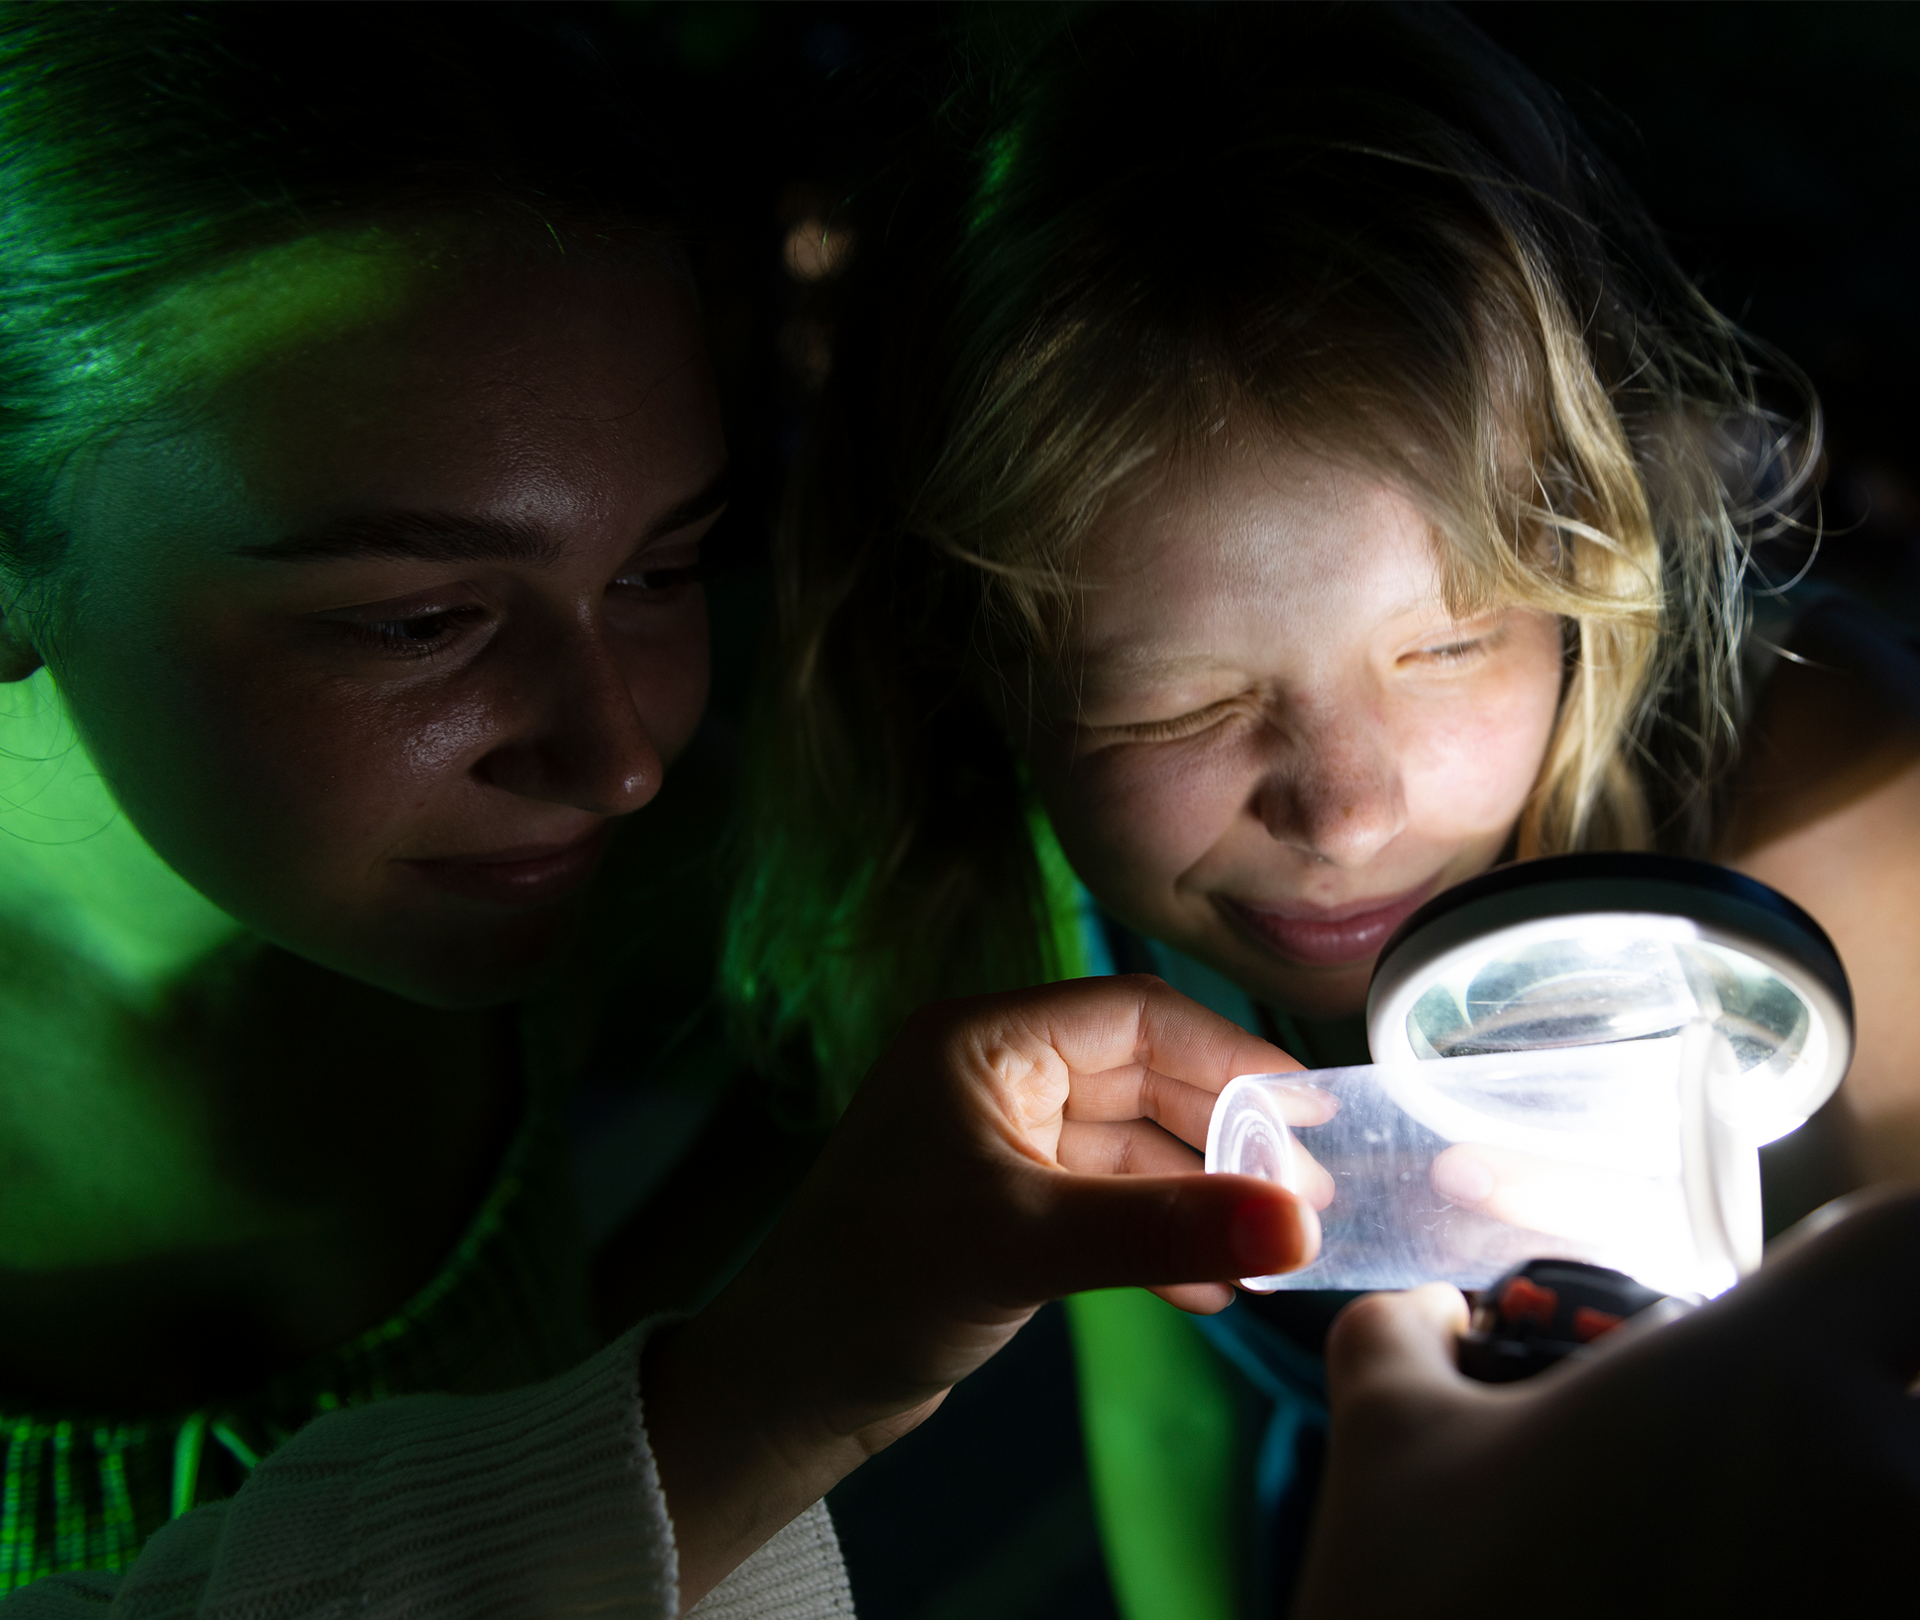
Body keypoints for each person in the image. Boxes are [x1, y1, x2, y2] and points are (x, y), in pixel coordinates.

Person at [0, 5, 1319, 1612]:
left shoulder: (591, 881)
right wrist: (756, 1388)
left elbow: (855, 997)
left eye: (659, 569)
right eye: (420, 620)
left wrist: (657, 1347)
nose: (620, 758)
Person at [730, 2, 1920, 1610]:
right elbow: (1167, 1405)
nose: (1346, 814)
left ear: (1592, 559)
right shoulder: (1087, 944)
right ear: (978, 678)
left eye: (1449, 641)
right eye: (1179, 706)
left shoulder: (1840, 823)